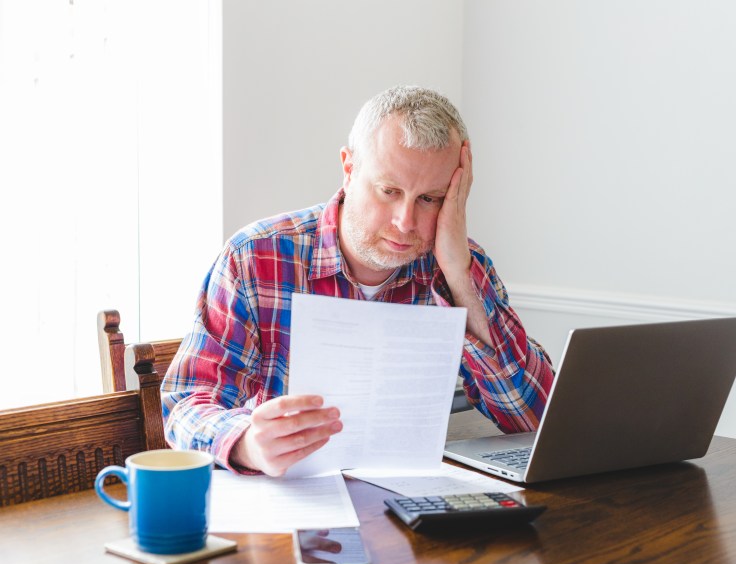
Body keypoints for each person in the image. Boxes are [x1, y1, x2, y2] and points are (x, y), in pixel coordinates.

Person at [161, 85, 555, 477]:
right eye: (390, 191)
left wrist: (458, 275)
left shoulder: (457, 266)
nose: (406, 222)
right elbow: (186, 407)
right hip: (286, 506)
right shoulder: (255, 257)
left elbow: (535, 418)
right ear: (349, 169)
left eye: (430, 199)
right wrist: (247, 443)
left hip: (412, 510)